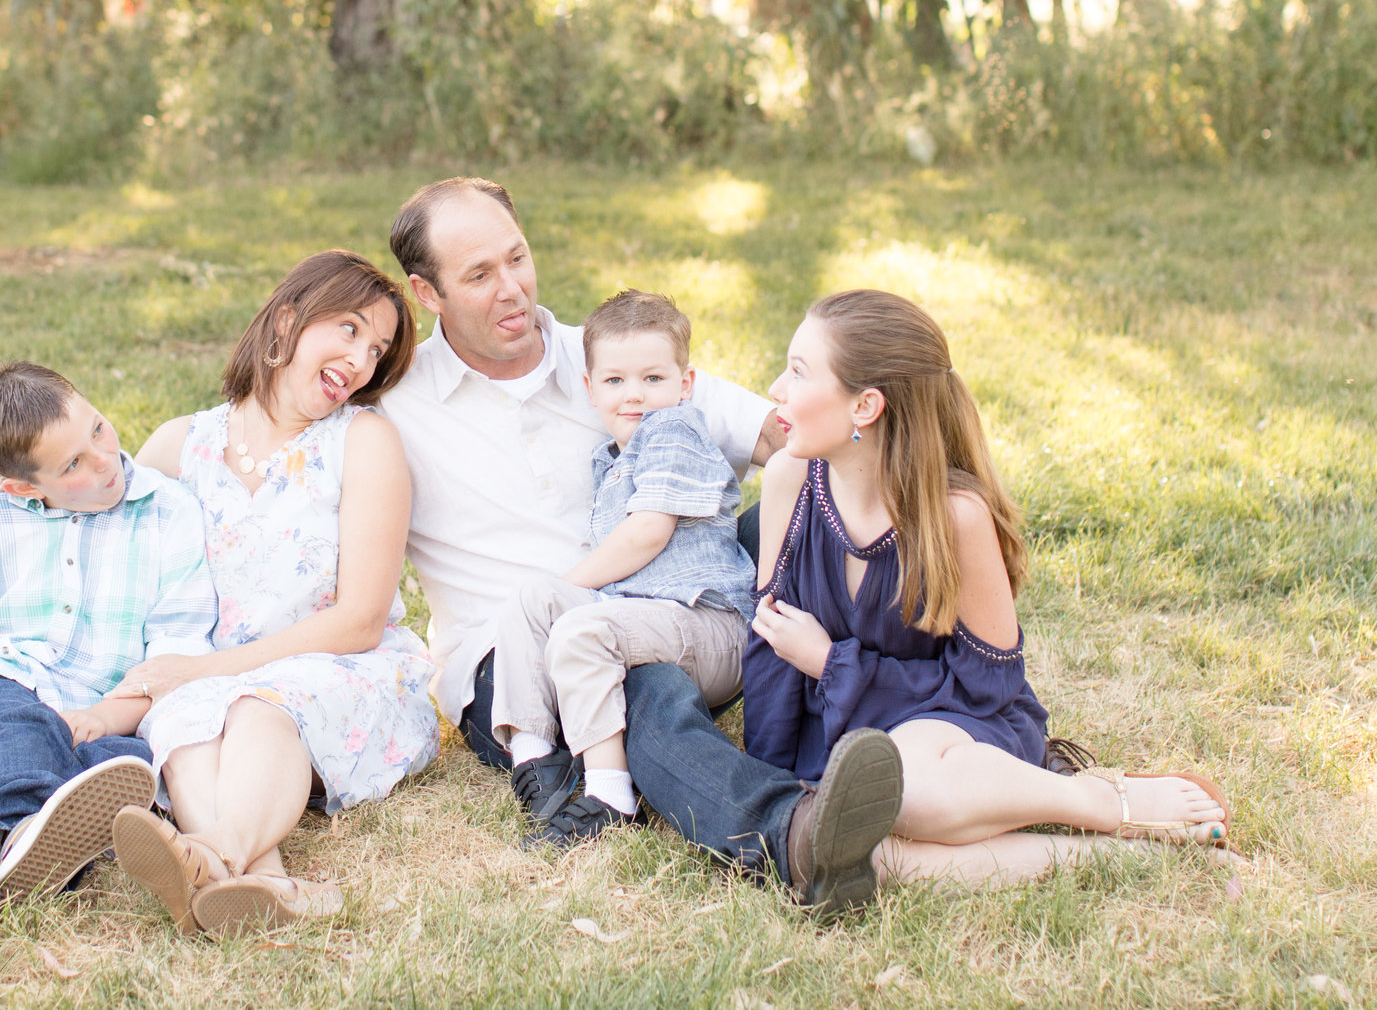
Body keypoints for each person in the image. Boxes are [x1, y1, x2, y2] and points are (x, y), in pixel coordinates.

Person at [377, 177, 907, 915]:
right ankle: (794, 832)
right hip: (514, 648)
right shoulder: (394, 404)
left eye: (517, 258)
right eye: (479, 275)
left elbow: (779, 432)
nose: (512, 288)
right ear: (426, 292)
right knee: (643, 687)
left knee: (801, 507)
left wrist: (912, 474)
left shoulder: (613, 355)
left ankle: (927, 693)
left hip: (670, 602)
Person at [0, 250, 439, 936]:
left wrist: (202, 670)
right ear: (287, 320)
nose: (361, 360)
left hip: (340, 667)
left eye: (378, 349)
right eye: (350, 330)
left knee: (254, 706)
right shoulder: (183, 443)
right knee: (181, 729)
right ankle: (268, 886)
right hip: (202, 684)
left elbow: (360, 620)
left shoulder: (365, 440)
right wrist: (0, 498)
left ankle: (214, 855)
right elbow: (88, 500)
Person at [746, 290, 1231, 886]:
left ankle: (1099, 803)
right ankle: (1122, 857)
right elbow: (769, 649)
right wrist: (771, 778)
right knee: (858, 849)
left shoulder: (956, 516)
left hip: (954, 728)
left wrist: (832, 665)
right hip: (843, 738)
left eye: (798, 371)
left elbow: (987, 685)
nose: (776, 387)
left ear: (865, 405)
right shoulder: (790, 480)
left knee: (905, 786)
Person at [0, 362, 218, 913]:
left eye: (98, 429)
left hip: (93, 714)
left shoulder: (168, 513)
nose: (104, 459)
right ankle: (9, 837)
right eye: (74, 463)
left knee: (126, 761)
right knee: (11, 725)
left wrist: (106, 715)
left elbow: (177, 650)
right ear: (22, 486)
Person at [485, 289, 759, 848]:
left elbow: (648, 533)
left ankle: (610, 797)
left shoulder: (675, 429)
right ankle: (534, 760)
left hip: (710, 624)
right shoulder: (608, 458)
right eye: (615, 380)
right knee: (531, 600)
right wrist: (560, 593)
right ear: (591, 389)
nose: (634, 394)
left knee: (579, 626)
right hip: (652, 622)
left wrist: (572, 587)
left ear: (685, 384)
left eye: (653, 378)